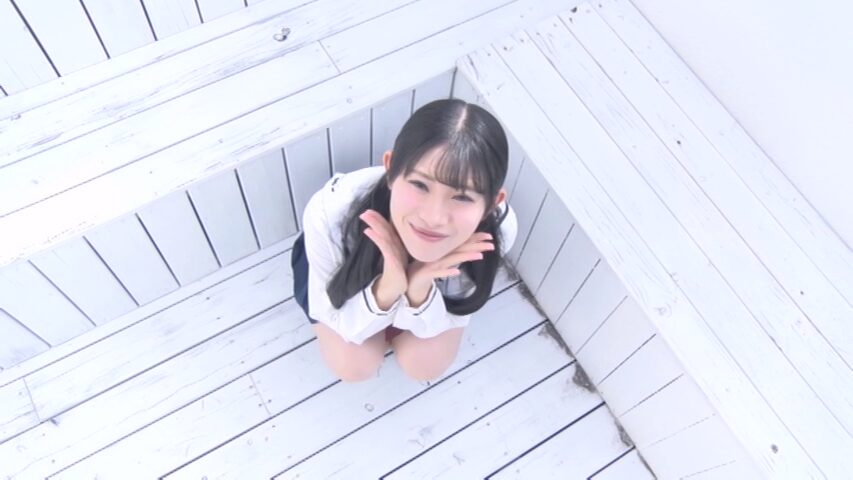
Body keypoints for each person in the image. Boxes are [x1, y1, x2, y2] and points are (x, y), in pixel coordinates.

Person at [290, 98, 517, 383]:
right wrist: (388, 287)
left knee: (425, 365)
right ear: (390, 169)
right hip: (346, 274)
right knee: (354, 365)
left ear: (492, 203)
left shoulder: (496, 233)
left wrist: (418, 287)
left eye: (462, 197)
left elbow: (451, 316)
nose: (434, 217)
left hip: (427, 295)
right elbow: (337, 316)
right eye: (420, 185)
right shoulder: (332, 216)